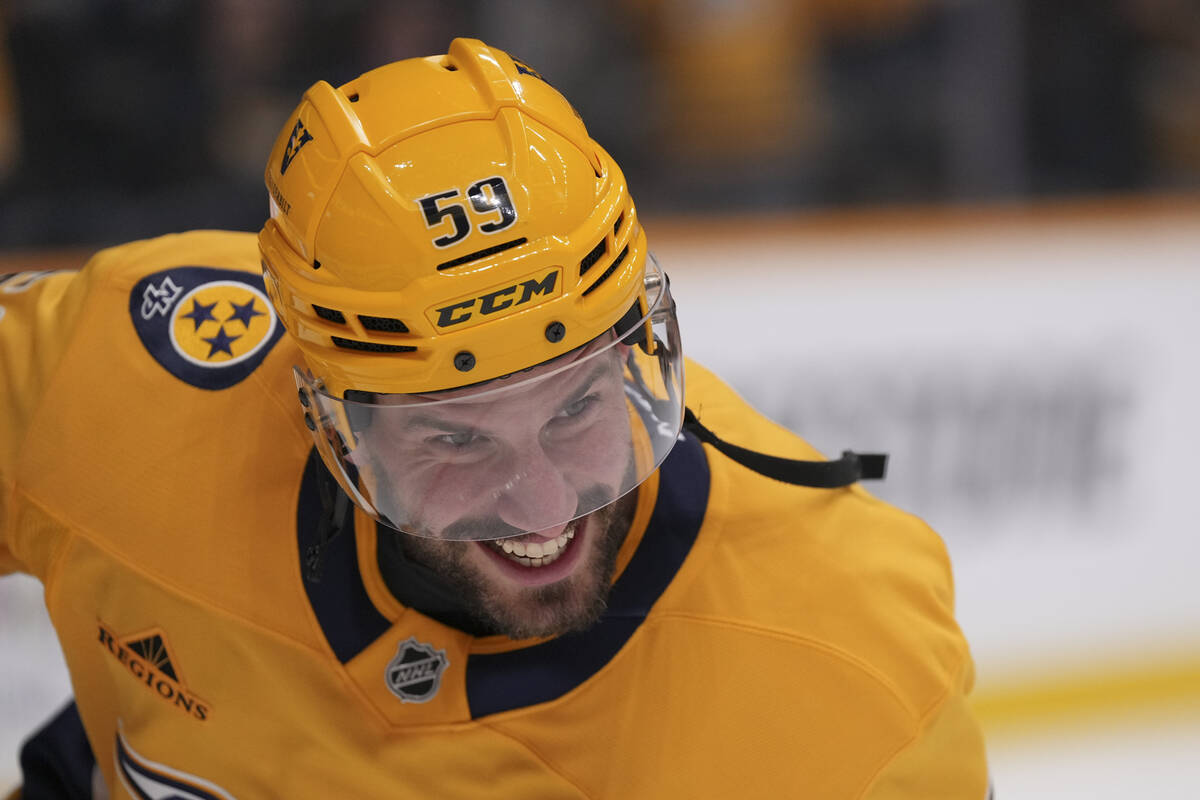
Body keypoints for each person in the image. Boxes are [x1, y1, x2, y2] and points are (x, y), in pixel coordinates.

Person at [0, 38, 989, 799]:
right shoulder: (121, 378)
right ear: (328, 418)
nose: (543, 501)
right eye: (455, 436)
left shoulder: (842, 662)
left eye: (575, 410)